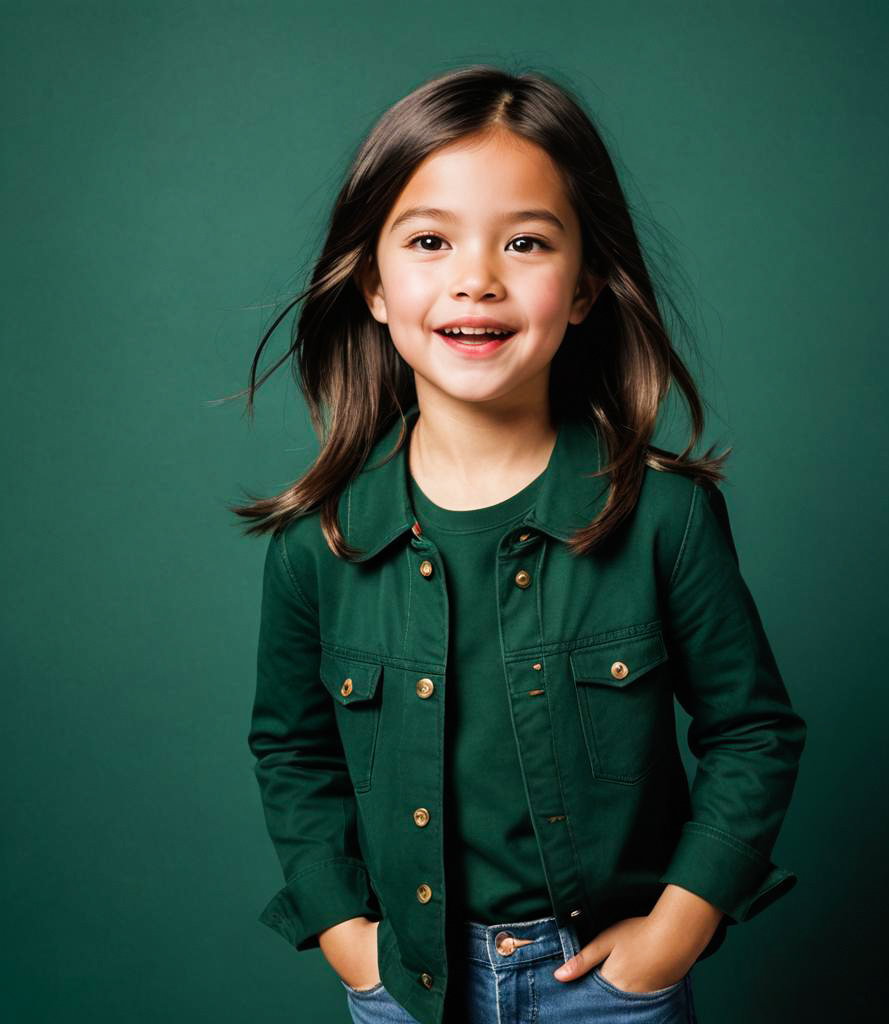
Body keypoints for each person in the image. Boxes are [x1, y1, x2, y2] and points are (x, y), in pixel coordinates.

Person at [235, 64, 808, 1024]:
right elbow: (291, 751)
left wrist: (680, 926)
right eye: (429, 240)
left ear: (584, 288)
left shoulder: (663, 516)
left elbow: (753, 732)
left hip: (608, 989)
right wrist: (346, 934)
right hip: (409, 987)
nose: (477, 278)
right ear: (373, 285)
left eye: (526, 242)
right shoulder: (318, 541)